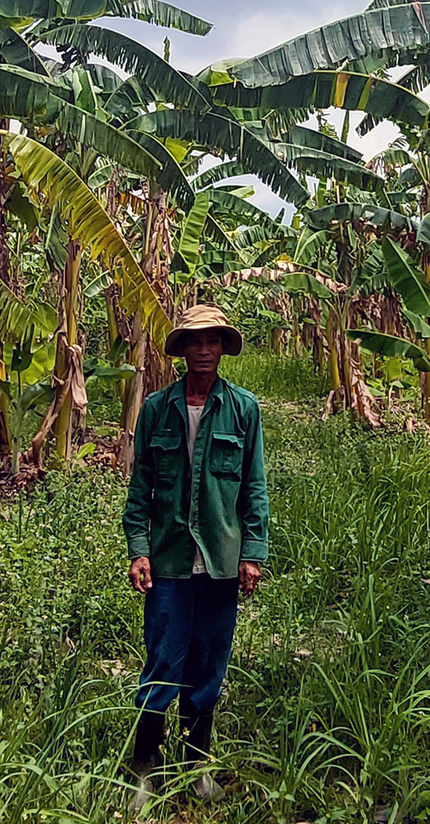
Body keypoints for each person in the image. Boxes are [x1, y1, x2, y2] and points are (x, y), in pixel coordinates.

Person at [121, 304, 269, 810]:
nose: (204, 351)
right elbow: (141, 485)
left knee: (209, 660)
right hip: (168, 558)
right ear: (182, 349)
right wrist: (138, 548)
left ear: (223, 348)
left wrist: (253, 552)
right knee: (164, 657)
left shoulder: (244, 409)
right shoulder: (158, 410)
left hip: (223, 561)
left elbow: (254, 487)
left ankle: (196, 762)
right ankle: (145, 766)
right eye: (195, 342)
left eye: (213, 342)